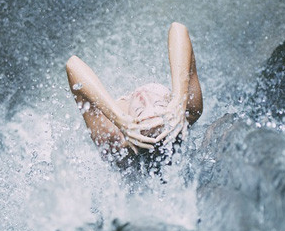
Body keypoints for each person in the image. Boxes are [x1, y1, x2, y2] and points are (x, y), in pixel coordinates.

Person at [66, 22, 203, 157]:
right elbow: (178, 29)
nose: (144, 97)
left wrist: (118, 119)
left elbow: (72, 65)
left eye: (139, 110)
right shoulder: (187, 111)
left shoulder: (113, 138)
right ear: (173, 110)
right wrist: (180, 99)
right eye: (158, 104)